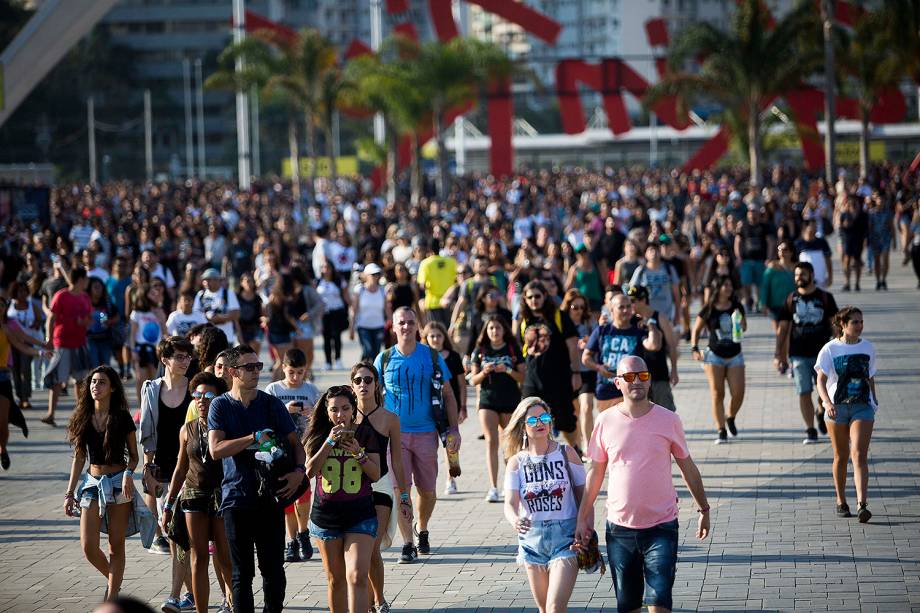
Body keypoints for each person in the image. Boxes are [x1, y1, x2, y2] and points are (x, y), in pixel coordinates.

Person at [575, 355, 711, 613]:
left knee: (659, 602)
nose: (636, 381)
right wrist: (582, 519)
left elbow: (688, 467)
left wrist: (704, 509)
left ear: (649, 382)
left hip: (662, 527)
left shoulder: (669, 419)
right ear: (617, 383)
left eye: (643, 376)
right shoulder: (605, 421)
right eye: (629, 376)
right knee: (628, 606)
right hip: (620, 530)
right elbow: (595, 474)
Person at [208, 344, 306, 613]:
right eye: (249, 367)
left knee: (273, 569)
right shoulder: (220, 405)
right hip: (236, 499)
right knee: (242, 574)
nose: (256, 372)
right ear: (232, 372)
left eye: (258, 366)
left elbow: (296, 444)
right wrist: (252, 438)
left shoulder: (271, 403)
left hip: (270, 498)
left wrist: (300, 472)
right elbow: (215, 450)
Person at [374, 307, 461, 564]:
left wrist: (454, 429)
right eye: (401, 323)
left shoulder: (431, 357)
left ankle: (421, 528)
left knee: (428, 491)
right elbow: (369, 394)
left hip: (426, 433)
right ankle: (408, 544)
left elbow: (448, 394)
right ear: (393, 326)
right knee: (401, 490)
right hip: (394, 436)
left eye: (411, 322)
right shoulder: (385, 358)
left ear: (417, 326)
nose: (406, 327)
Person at [305, 383, 382, 613]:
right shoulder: (319, 436)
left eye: (345, 408)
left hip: (360, 514)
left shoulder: (366, 433)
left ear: (353, 409)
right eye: (334, 410)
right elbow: (309, 471)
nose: (340, 415)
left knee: (357, 576)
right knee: (336, 580)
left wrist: (358, 452)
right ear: (326, 412)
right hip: (326, 517)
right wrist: (329, 442)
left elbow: (376, 474)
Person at [502, 396, 584, 613]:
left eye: (544, 417)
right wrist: (514, 520)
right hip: (531, 540)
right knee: (543, 609)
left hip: (565, 537)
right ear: (522, 426)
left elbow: (585, 498)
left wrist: (585, 528)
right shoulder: (516, 462)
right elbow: (509, 503)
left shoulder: (567, 454)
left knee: (555, 607)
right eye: (532, 420)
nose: (539, 423)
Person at [64, 366, 139, 602]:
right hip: (91, 484)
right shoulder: (82, 416)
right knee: (88, 546)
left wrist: (129, 473)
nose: (96, 386)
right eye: (93, 382)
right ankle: (113, 582)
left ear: (113, 388)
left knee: (116, 546)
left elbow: (134, 456)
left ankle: (113, 595)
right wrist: (69, 493)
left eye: (102, 382)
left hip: (118, 483)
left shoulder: (122, 417)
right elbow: (79, 457)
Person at [160, 372, 233, 613]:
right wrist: (169, 505)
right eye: (198, 395)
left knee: (224, 557)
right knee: (198, 557)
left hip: (222, 496)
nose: (202, 399)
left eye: (209, 395)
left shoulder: (227, 426)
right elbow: (180, 469)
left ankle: (233, 603)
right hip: (193, 496)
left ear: (219, 397)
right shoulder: (186, 429)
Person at [138, 336, 195, 611]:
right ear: (165, 360)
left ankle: (177, 595)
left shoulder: (195, 388)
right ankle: (192, 592)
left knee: (180, 533)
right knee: (173, 535)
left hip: (190, 470)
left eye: (188, 357)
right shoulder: (151, 389)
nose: (185, 362)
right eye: (180, 357)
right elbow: (147, 432)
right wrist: (147, 467)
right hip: (162, 470)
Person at [351, 361, 409, 613]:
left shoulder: (390, 419)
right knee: (358, 552)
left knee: (373, 548)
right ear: (351, 385)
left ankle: (379, 599)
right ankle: (367, 600)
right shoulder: (345, 415)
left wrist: (405, 496)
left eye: (368, 380)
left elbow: (397, 460)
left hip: (381, 486)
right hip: (351, 486)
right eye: (358, 381)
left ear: (377, 385)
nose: (363, 384)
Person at [815, 306, 877, 523]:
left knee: (859, 454)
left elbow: (869, 377)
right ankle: (841, 500)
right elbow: (820, 381)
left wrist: (874, 400)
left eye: (861, 322)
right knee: (841, 455)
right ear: (843, 324)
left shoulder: (868, 347)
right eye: (855, 322)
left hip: (862, 406)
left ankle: (862, 504)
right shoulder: (830, 349)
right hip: (836, 408)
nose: (859, 326)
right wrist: (826, 403)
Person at [263, 348, 320, 562]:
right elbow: (265, 417)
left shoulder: (311, 390)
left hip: (305, 448)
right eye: (291, 372)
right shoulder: (273, 389)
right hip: (280, 451)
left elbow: (324, 417)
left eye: (300, 372)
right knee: (286, 495)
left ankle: (304, 532)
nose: (296, 378)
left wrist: (312, 413)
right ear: (283, 369)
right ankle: (292, 539)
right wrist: (284, 410)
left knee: (304, 493)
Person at [775, 261, 839, 444]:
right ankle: (810, 429)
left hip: (823, 355)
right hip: (798, 354)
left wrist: (840, 350)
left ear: (811, 275)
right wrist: (778, 354)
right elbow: (783, 328)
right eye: (796, 275)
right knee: (804, 391)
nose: (798, 278)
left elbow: (835, 327)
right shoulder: (790, 299)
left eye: (802, 274)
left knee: (823, 393)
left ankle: (821, 411)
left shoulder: (825, 298)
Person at [514, 281, 582, 447]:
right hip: (532, 380)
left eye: (537, 296)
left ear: (545, 296)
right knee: (530, 420)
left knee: (566, 421)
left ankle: (575, 452)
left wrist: (576, 372)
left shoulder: (559, 316)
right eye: (530, 297)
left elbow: (573, 345)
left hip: (558, 379)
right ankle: (536, 457)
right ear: (525, 299)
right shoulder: (525, 320)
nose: (534, 300)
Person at [469, 315, 525, 502]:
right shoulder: (481, 350)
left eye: (498, 327)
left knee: (509, 444)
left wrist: (507, 369)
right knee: (491, 441)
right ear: (486, 330)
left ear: (504, 330)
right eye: (491, 328)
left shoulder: (512, 348)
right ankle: (493, 487)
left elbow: (523, 377)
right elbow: (472, 379)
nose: (494, 331)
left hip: (510, 400)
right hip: (488, 401)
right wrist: (484, 372)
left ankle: (511, 484)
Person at [582, 290, 661, 411]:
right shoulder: (602, 331)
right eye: (621, 307)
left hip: (632, 390)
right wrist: (599, 367)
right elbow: (585, 358)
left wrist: (651, 325)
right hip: (606, 389)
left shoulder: (638, 331)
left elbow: (654, 345)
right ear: (612, 310)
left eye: (629, 306)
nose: (626, 310)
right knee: (610, 428)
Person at [690, 276, 747, 444]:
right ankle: (721, 430)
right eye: (726, 285)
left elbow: (744, 328)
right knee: (717, 393)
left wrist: (741, 321)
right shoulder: (709, 308)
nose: (729, 288)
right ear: (718, 288)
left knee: (738, 393)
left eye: (730, 285)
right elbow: (697, 329)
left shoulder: (737, 306)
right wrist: (694, 348)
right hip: (714, 355)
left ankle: (730, 416)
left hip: (735, 354)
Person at [421, 321, 468, 495]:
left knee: (451, 444)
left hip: (449, 407)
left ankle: (451, 479)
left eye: (439, 335)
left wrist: (463, 407)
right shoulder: (423, 357)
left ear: (444, 337)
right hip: (430, 410)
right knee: (429, 447)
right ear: (426, 338)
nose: (435, 339)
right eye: (431, 336)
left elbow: (462, 385)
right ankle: (428, 483)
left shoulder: (454, 357)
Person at [43, 266, 93, 427]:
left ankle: (81, 414)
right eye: (85, 279)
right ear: (80, 280)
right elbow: (51, 317)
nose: (87, 282)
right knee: (58, 379)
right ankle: (51, 413)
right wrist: (49, 338)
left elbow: (89, 318)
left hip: (79, 343)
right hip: (62, 342)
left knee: (80, 380)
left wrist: (85, 322)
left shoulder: (85, 297)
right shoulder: (61, 295)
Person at [627, 285, 679, 412]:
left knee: (665, 413)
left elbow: (672, 346)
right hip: (637, 378)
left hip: (658, 374)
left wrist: (674, 370)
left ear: (643, 300)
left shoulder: (660, 318)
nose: (629, 305)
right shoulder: (629, 319)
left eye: (633, 301)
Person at [128, 285, 166, 404]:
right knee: (142, 379)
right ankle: (141, 407)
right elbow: (132, 334)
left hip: (156, 349)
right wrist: (133, 351)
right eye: (151, 293)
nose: (155, 294)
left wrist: (160, 317)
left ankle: (154, 405)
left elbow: (165, 332)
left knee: (156, 379)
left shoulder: (159, 311)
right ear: (144, 295)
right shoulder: (137, 313)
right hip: (141, 349)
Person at [628, 241, 680, 324]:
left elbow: (676, 293)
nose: (654, 253)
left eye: (657, 250)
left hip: (666, 314)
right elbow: (632, 293)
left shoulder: (669, 269)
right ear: (645, 254)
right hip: (647, 316)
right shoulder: (640, 271)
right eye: (651, 250)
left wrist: (677, 314)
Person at [734, 205, 774, 310]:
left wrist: (769, 258)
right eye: (750, 212)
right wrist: (738, 257)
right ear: (748, 214)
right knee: (745, 283)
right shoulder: (743, 226)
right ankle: (748, 301)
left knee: (759, 284)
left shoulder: (764, 227)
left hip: (760, 260)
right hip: (746, 260)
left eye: (754, 212)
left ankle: (758, 303)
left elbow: (770, 242)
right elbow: (737, 241)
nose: (752, 214)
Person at [316, 262, 350, 370]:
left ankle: (338, 359)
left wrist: (352, 309)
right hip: (324, 314)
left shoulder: (339, 281)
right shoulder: (317, 282)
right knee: (326, 338)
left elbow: (346, 297)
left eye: (327, 267)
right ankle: (328, 362)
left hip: (337, 312)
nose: (325, 269)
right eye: (323, 267)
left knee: (336, 336)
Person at [351, 263, 388, 362]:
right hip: (363, 326)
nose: (376, 277)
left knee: (376, 353)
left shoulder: (382, 290)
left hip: (378, 326)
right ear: (366, 275)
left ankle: (372, 374)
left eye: (377, 274)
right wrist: (351, 327)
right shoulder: (359, 289)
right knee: (368, 350)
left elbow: (387, 309)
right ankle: (362, 369)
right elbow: (354, 310)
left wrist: (391, 324)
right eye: (373, 274)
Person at [193, 268, 240, 345]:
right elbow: (196, 313)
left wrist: (220, 318)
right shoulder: (200, 295)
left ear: (217, 280)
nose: (205, 282)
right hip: (206, 338)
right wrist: (209, 320)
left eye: (208, 280)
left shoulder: (228, 293)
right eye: (204, 280)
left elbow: (236, 314)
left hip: (226, 337)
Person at [265, 273, 298, 381]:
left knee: (281, 361)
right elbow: (288, 316)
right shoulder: (284, 299)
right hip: (282, 333)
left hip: (273, 333)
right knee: (283, 361)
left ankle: (278, 382)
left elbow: (268, 315)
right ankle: (274, 384)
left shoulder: (272, 299)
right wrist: (297, 329)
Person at [417, 241, 457, 327]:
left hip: (432, 303)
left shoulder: (425, 263)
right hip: (449, 302)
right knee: (448, 332)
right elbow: (457, 281)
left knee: (436, 331)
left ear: (428, 249)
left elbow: (422, 285)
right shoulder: (451, 262)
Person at [760, 241, 797, 332]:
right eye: (779, 249)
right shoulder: (772, 267)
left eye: (785, 250)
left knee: (791, 332)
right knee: (779, 332)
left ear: (791, 252)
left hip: (793, 304)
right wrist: (763, 304)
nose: (782, 252)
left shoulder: (797, 268)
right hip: (775, 305)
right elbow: (765, 286)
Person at [837, 195, 868, 292]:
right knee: (846, 261)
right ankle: (847, 282)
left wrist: (865, 240)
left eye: (855, 203)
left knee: (857, 261)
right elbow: (840, 228)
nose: (853, 205)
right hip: (847, 240)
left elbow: (866, 229)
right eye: (851, 203)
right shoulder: (844, 214)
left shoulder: (862, 214)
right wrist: (844, 226)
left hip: (858, 240)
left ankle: (857, 283)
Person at [795, 220, 833, 290]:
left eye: (816, 226)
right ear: (805, 227)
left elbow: (828, 260)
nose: (815, 228)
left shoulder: (822, 242)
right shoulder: (798, 244)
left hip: (820, 280)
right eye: (812, 226)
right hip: (803, 280)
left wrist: (830, 277)